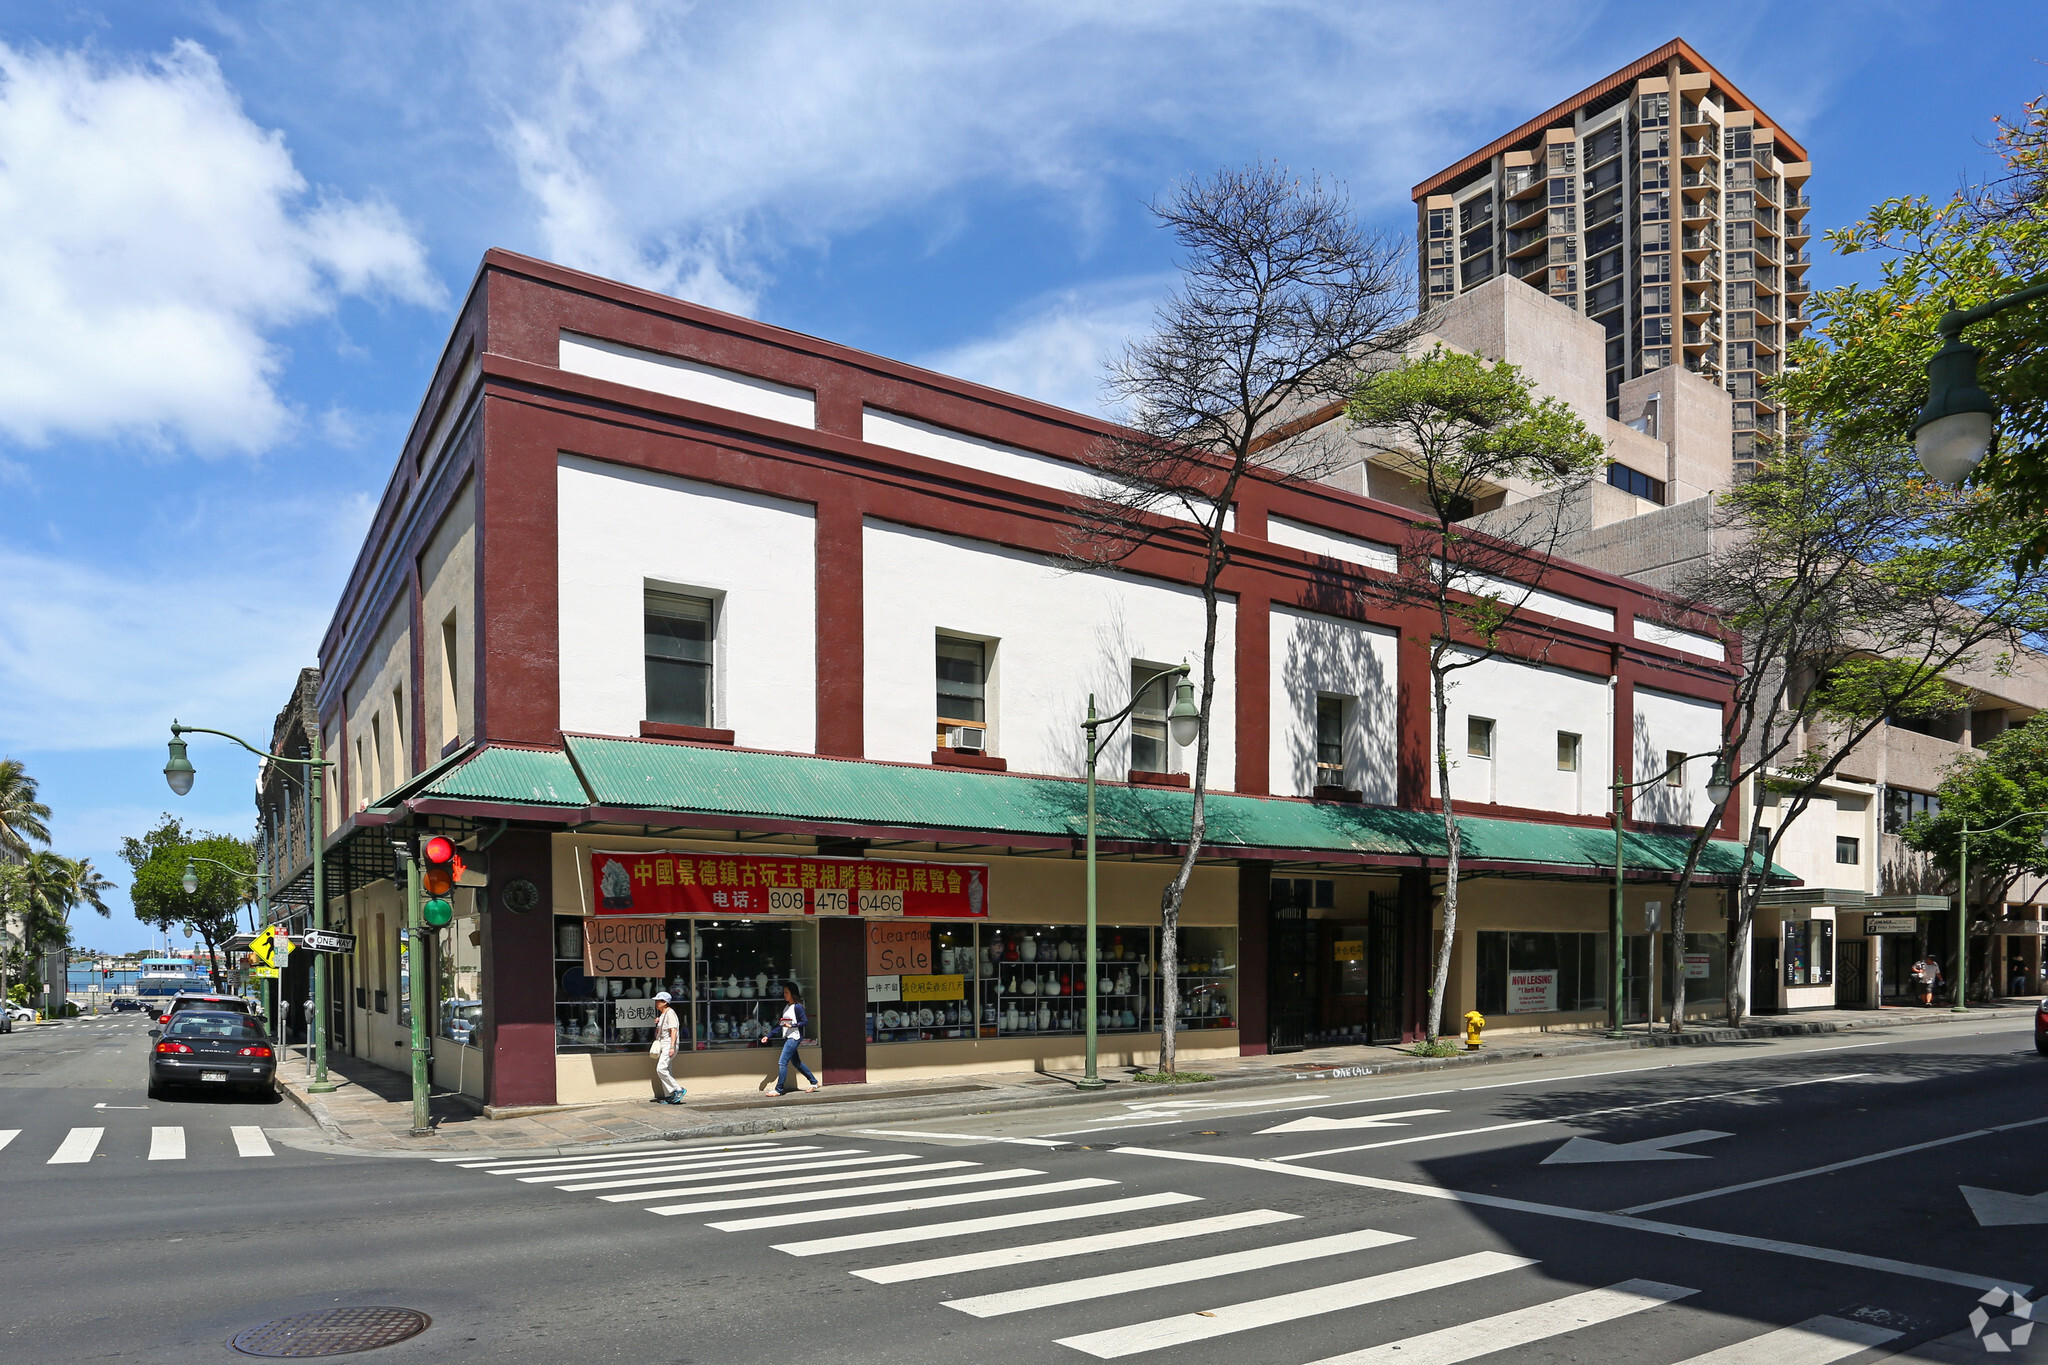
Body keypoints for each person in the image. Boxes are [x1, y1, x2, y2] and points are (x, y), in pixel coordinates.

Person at [770, 982, 820, 1096]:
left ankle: (778, 1089)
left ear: (792, 994)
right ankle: (814, 1082)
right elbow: (781, 1024)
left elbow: (805, 1021)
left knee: (782, 1062)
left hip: (794, 1037)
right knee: (797, 1063)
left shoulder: (798, 1007)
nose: (784, 994)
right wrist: (768, 1036)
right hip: (788, 1037)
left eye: (786, 992)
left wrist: (792, 1025)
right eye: (784, 992)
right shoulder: (787, 1007)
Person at [649, 991, 685, 1105]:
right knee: (667, 1070)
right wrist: (659, 1022)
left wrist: (672, 1047)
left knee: (661, 1069)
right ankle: (669, 1096)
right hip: (664, 1044)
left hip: (668, 1044)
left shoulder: (670, 1013)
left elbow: (673, 1030)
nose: (656, 1003)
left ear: (664, 1002)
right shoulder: (663, 1014)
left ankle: (678, 1089)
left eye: (658, 1001)